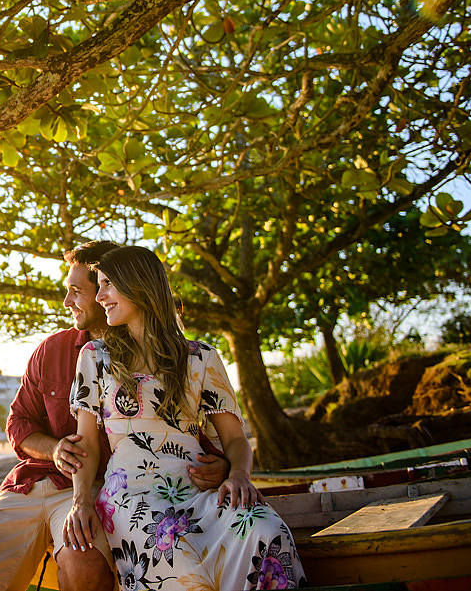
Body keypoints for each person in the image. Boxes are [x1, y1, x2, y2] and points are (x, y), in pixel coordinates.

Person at [0, 241, 229, 591]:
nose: (68, 302)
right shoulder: (51, 350)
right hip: (30, 484)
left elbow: (184, 432)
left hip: (94, 489)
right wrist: (54, 450)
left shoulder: (160, 357)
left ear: (114, 287)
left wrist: (222, 465)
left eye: (77, 291)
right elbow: (19, 424)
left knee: (85, 568)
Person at [63, 245, 306, 590]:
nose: (99, 297)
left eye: (108, 284)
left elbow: (234, 439)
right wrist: (81, 501)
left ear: (139, 284)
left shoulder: (201, 357)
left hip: (200, 493)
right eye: (98, 286)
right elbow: (86, 443)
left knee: (267, 529)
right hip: (132, 497)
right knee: (177, 556)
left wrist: (238, 475)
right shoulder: (95, 357)